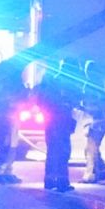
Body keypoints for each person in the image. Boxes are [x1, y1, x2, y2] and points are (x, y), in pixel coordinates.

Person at [34, 59, 78, 192]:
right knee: (63, 152)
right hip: (61, 121)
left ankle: (50, 180)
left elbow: (40, 102)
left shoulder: (49, 83)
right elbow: (71, 101)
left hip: (51, 122)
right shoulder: (64, 83)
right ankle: (62, 182)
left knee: (52, 151)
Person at [0, 64, 27, 184]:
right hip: (3, 117)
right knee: (6, 144)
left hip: (13, 117)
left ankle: (7, 171)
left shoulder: (14, 84)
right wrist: (12, 100)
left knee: (13, 145)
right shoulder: (0, 84)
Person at [78, 59, 105, 184]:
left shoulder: (92, 86)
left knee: (90, 150)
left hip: (96, 122)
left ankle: (90, 175)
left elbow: (93, 105)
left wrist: (81, 107)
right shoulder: (98, 85)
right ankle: (101, 170)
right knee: (93, 148)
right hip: (99, 121)